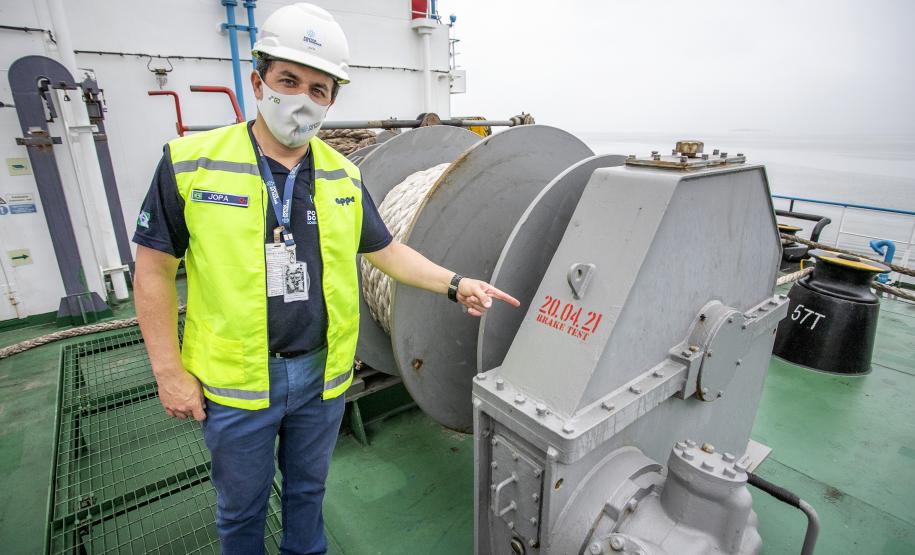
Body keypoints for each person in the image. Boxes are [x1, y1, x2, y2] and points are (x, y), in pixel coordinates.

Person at [132, 3, 518, 554]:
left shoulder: (343, 174)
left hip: (322, 378)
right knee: (240, 509)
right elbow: (153, 272)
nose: (302, 99)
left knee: (308, 494)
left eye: (320, 89)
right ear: (258, 79)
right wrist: (169, 373)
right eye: (289, 80)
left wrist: (457, 284)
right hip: (238, 384)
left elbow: (385, 251)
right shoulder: (189, 163)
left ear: (332, 98)